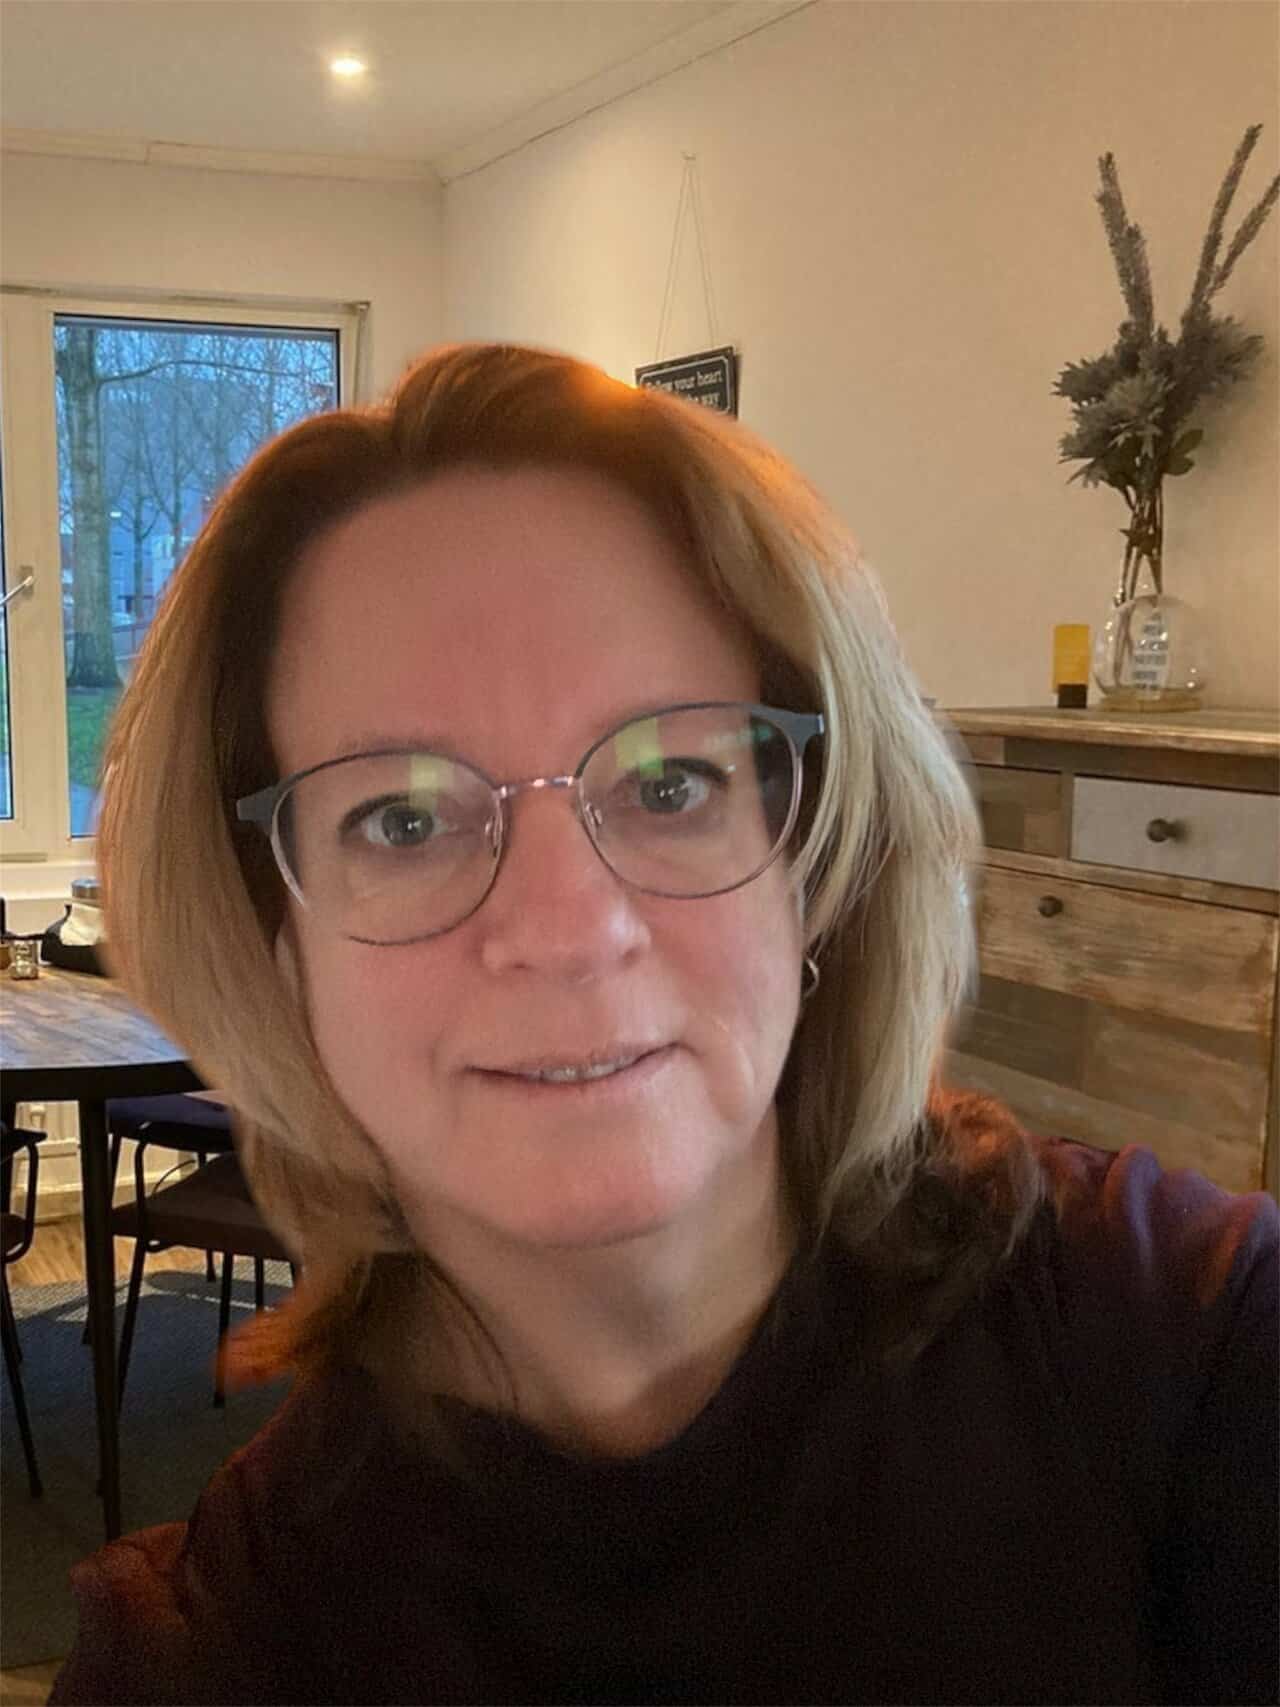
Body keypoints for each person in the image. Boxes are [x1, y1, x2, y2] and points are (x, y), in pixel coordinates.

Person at [51, 343, 1276, 1706]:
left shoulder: (1193, 1353)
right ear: (275, 941)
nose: (568, 930)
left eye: (671, 786)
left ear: (816, 863)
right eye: (400, 819)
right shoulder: (213, 1653)